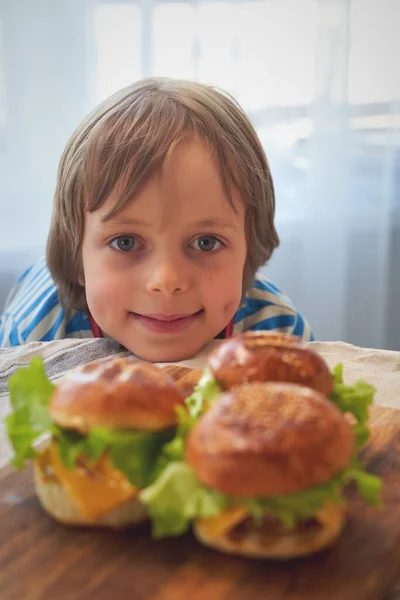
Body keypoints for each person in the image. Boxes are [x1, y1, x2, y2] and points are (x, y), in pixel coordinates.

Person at [0, 78, 313, 362]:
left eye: (206, 242)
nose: (166, 281)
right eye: (126, 242)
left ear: (249, 246)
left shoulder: (277, 334)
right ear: (75, 255)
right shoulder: (34, 338)